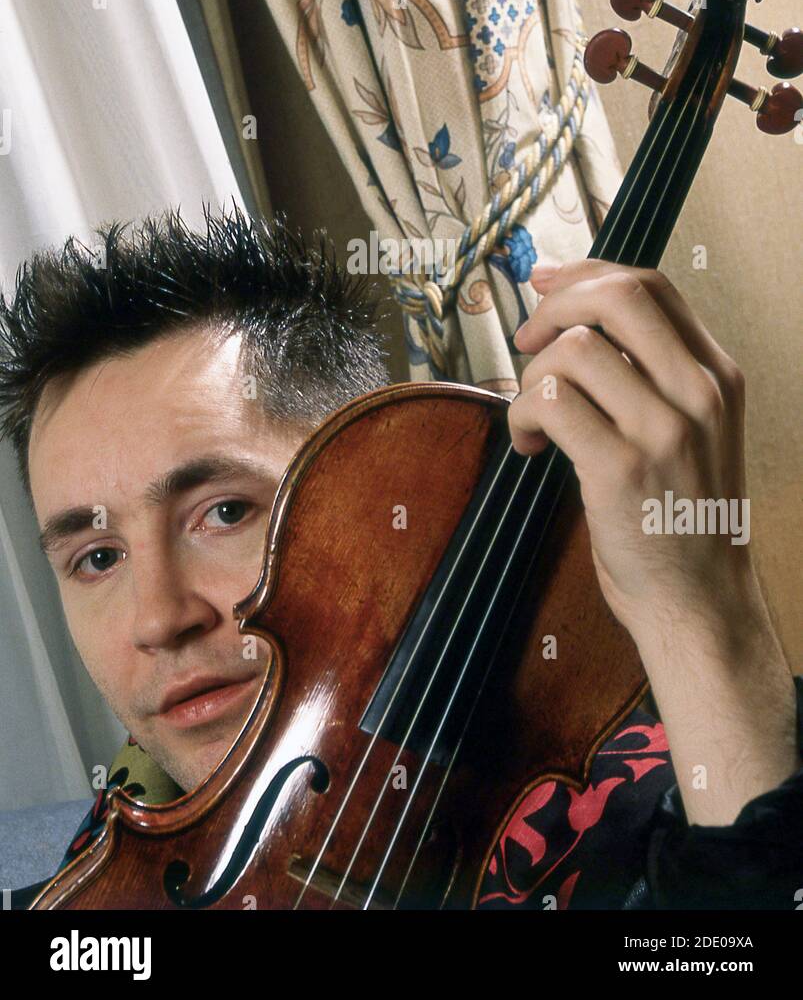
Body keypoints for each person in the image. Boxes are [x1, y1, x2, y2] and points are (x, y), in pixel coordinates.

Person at [1, 207, 800, 910]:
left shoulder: (666, 799)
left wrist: (705, 616)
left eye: (225, 512)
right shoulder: (123, 858)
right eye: (98, 556)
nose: (158, 618)